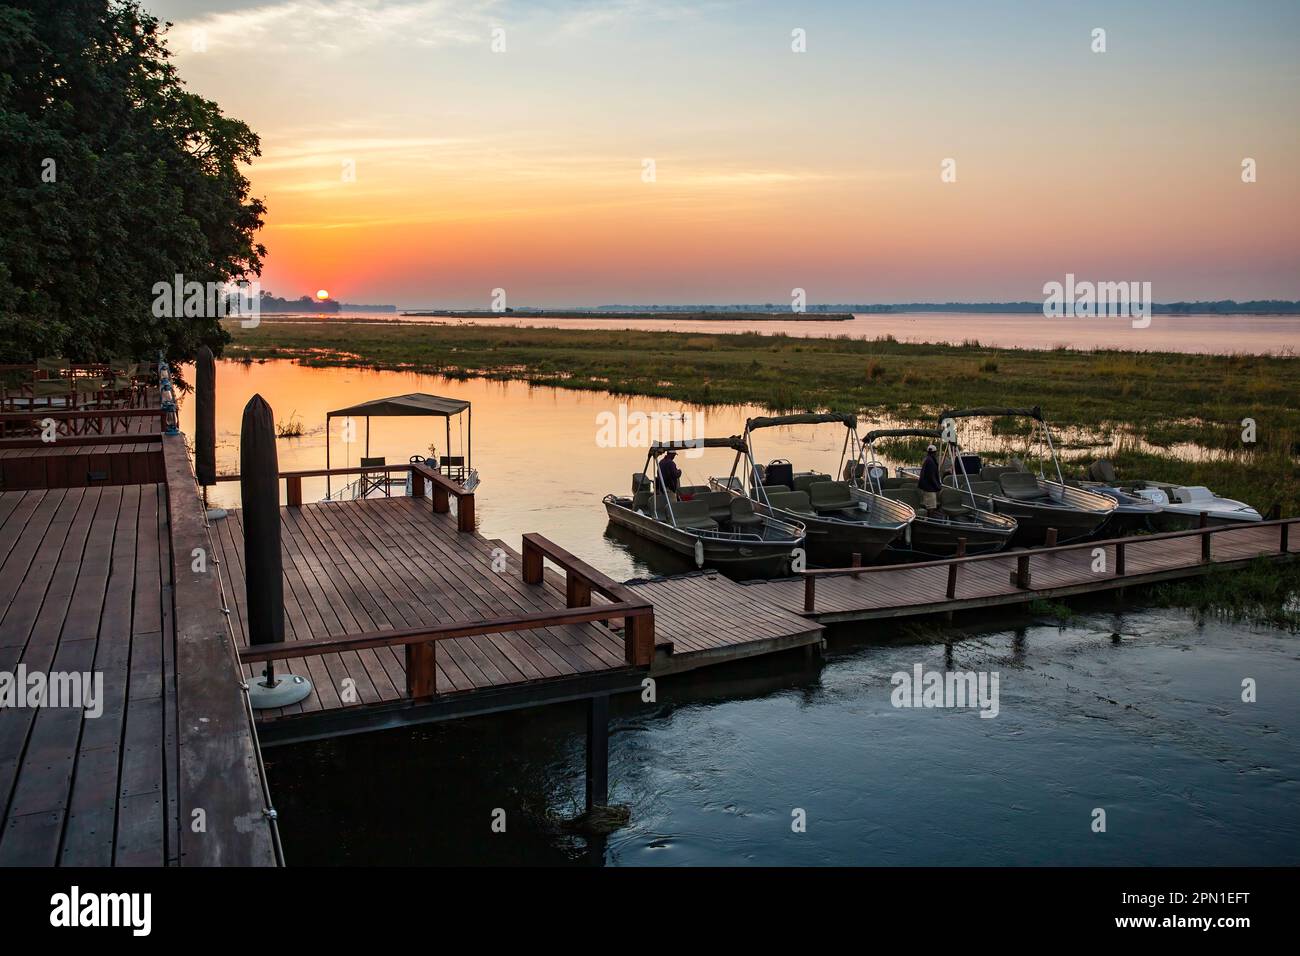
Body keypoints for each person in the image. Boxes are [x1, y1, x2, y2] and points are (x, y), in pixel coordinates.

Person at [918, 443, 942, 513]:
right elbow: (931, 476)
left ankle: (929, 518)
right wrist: (938, 486)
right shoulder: (930, 461)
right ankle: (929, 520)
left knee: (929, 504)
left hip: (927, 487)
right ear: (935, 453)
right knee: (931, 506)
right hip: (929, 488)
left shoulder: (928, 459)